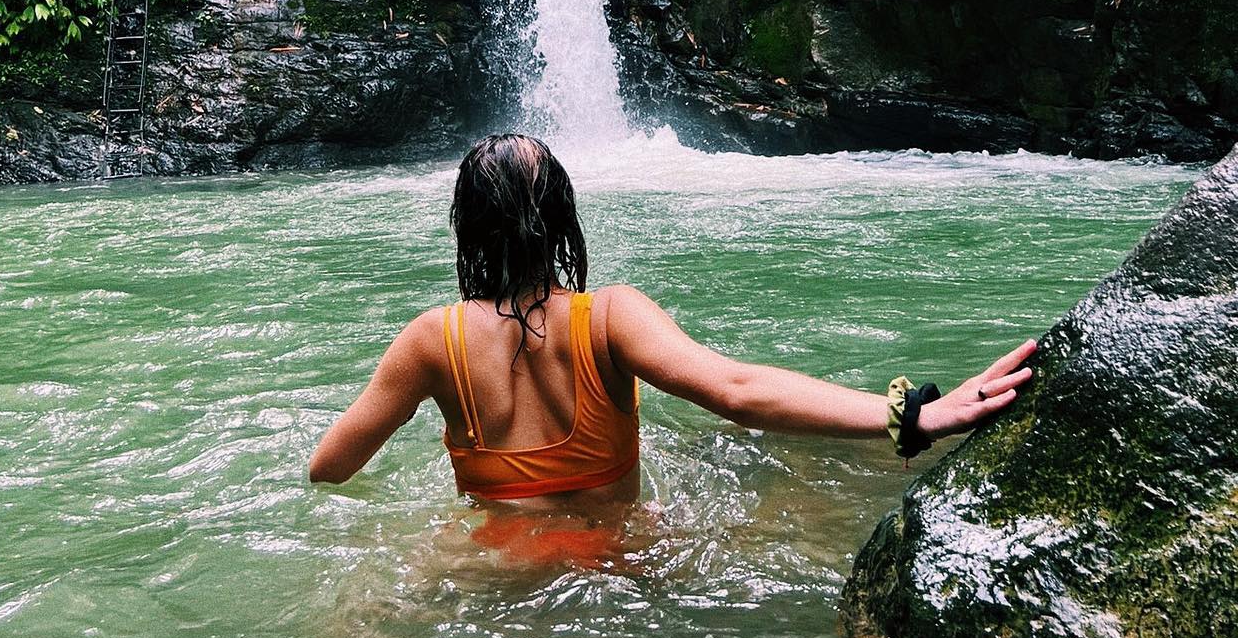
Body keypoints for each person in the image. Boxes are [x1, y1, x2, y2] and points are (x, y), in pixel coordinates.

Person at [308, 132, 1036, 517]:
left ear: (466, 231)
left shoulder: (430, 341)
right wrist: (914, 415)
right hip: (618, 570)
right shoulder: (610, 318)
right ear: (562, 219)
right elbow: (739, 390)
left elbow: (328, 470)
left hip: (490, 576)